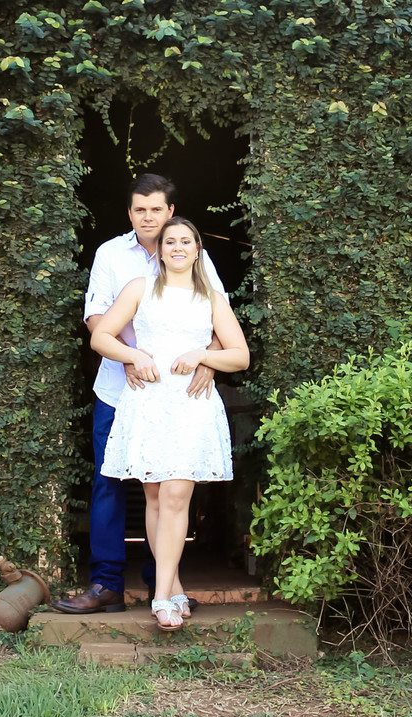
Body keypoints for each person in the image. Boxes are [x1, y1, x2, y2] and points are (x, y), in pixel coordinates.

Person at [52, 175, 226, 615]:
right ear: (130, 213)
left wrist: (208, 359)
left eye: (156, 209)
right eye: (139, 210)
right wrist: (128, 356)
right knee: (112, 483)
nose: (148, 217)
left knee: (170, 490)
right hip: (122, 389)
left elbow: (219, 320)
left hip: (181, 393)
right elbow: (96, 318)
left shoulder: (194, 257)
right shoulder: (111, 254)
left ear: (171, 212)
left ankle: (162, 585)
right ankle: (107, 583)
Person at [90, 217, 249, 630]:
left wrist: (202, 356)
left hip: (190, 404)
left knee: (178, 495)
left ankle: (160, 597)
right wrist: (133, 356)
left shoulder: (212, 298)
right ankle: (174, 586)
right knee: (158, 498)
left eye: (186, 241)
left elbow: (239, 355)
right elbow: (100, 336)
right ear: (159, 250)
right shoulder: (140, 289)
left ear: (198, 250)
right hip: (148, 402)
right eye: (170, 241)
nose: (178, 247)